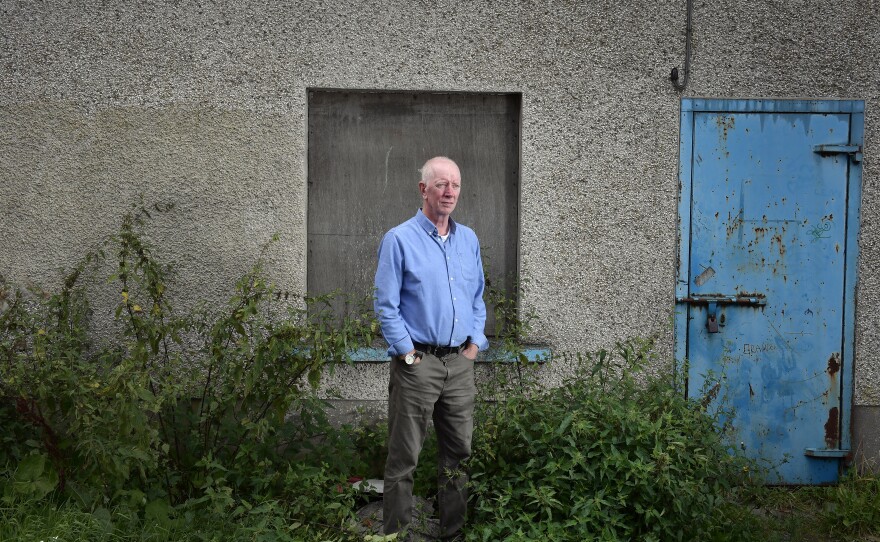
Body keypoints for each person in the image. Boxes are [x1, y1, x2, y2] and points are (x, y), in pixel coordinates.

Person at [374, 156, 489, 540]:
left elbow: (477, 298)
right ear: (423, 189)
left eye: (455, 184)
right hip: (417, 363)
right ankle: (397, 536)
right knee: (404, 458)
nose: (450, 191)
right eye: (441, 184)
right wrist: (407, 354)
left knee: (458, 455)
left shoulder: (468, 238)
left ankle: (453, 534)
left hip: (459, 363)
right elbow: (385, 305)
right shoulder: (399, 239)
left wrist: (475, 343)